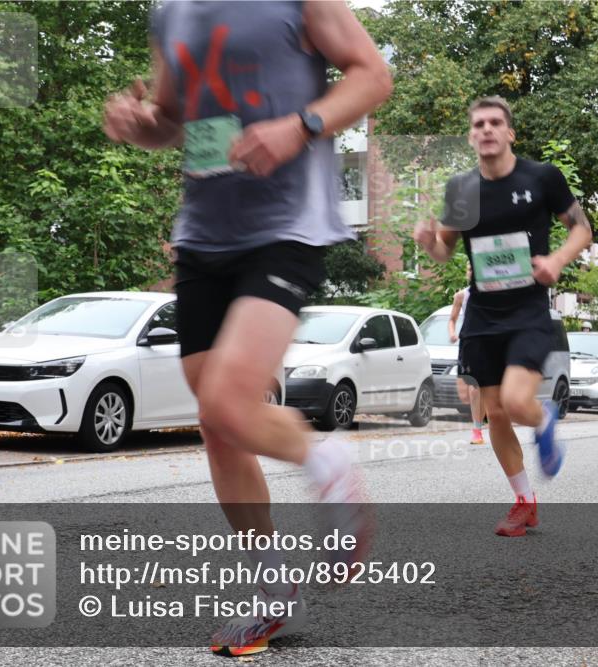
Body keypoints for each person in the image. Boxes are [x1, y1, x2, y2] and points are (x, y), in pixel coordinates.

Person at [102, 1, 392, 656]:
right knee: (219, 423)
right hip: (204, 237)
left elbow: (373, 75)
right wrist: (138, 125)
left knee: (228, 401)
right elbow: (171, 119)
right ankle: (272, 588)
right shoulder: (170, 11)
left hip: (285, 227)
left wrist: (300, 126)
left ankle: (329, 464)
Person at [413, 96, 592, 537]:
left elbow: (582, 228)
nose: (486, 129)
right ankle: (524, 502)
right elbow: (445, 249)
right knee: (494, 412)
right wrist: (428, 243)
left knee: (514, 401)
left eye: (495, 122)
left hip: (528, 310)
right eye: (478, 124)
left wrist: (556, 261)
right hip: (482, 314)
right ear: (471, 136)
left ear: (510, 132)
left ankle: (544, 419)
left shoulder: (541, 177)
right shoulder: (462, 189)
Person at [449, 264, 485, 444]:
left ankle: (486, 422)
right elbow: (452, 319)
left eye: (475, 269)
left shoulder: (492, 294)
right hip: (470, 342)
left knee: (486, 388)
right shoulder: (461, 296)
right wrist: (452, 333)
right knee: (474, 388)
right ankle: (477, 430)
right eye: (469, 269)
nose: (472, 272)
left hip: (489, 342)